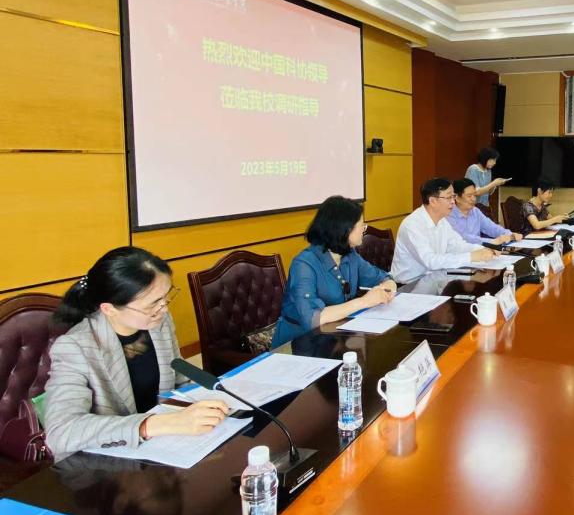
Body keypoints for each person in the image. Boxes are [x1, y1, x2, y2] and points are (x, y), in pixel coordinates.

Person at [45, 247, 230, 459]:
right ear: (109, 309)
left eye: (165, 297)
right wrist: (153, 425)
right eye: (153, 304)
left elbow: (179, 381)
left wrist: (205, 404)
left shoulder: (158, 323)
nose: (164, 308)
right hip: (107, 461)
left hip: (166, 446)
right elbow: (61, 431)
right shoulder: (74, 347)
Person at [272, 196, 397, 348]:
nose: (364, 230)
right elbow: (313, 319)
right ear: (344, 230)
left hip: (334, 338)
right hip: (297, 344)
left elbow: (383, 277)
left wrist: (388, 288)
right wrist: (364, 301)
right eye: (361, 225)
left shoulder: (350, 255)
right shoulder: (304, 264)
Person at [391, 178, 497, 283]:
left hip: (435, 278)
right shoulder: (413, 224)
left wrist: (484, 249)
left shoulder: (442, 221)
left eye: (453, 196)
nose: (453, 202)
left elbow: (457, 245)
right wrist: (470, 257)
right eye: (449, 197)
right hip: (409, 285)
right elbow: (431, 261)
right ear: (433, 201)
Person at [447, 178, 522, 245]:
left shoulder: (475, 211)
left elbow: (492, 228)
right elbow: (463, 237)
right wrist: (493, 241)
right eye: (469, 196)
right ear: (457, 198)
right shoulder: (449, 214)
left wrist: (510, 234)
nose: (473, 199)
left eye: (474, 195)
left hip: (479, 251)